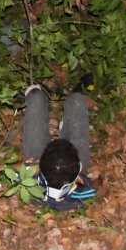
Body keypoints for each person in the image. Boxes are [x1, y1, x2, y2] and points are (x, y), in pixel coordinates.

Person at [21, 79, 98, 211]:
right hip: (61, 170)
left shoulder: (32, 188)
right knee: (77, 101)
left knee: (35, 98)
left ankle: (35, 92)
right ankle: (70, 112)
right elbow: (95, 186)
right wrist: (92, 178)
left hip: (42, 163)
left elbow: (12, 170)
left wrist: (32, 166)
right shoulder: (82, 194)